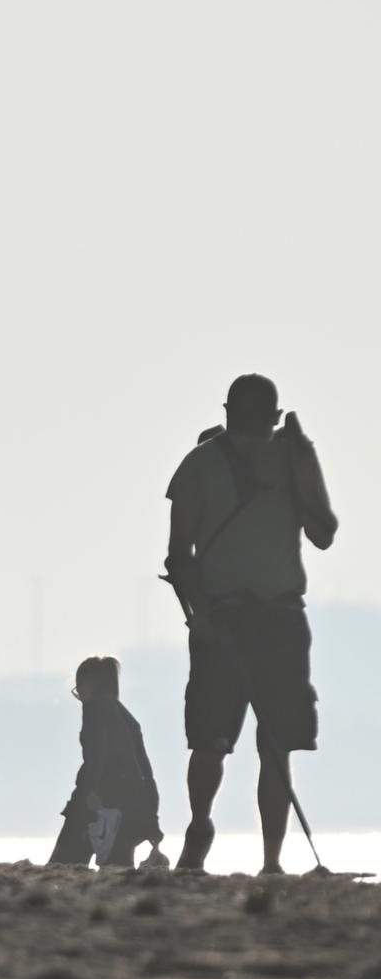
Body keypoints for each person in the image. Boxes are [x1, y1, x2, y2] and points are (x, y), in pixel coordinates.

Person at [163, 374, 337, 874]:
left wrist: (199, 615)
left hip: (238, 617)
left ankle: (217, 833)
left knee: (218, 741)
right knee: (264, 746)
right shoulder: (285, 458)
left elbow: (178, 558)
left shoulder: (207, 464)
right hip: (267, 617)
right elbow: (324, 534)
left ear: (226, 410)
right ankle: (261, 856)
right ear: (275, 415)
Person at [46, 657, 166, 869]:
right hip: (131, 804)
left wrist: (90, 791)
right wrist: (151, 818)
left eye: (79, 686)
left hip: (97, 801)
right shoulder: (128, 718)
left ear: (90, 683)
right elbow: (146, 771)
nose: (79, 693)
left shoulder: (94, 708)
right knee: (118, 872)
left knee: (63, 865)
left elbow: (96, 755)